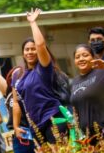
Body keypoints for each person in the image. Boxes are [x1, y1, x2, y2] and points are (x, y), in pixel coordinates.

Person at [12, 8, 68, 145]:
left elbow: (41, 44)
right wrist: (16, 126)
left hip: (52, 119)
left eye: (33, 49)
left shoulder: (43, 69)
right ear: (23, 53)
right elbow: (16, 102)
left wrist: (32, 23)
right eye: (27, 49)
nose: (30, 52)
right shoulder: (21, 76)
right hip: (35, 125)